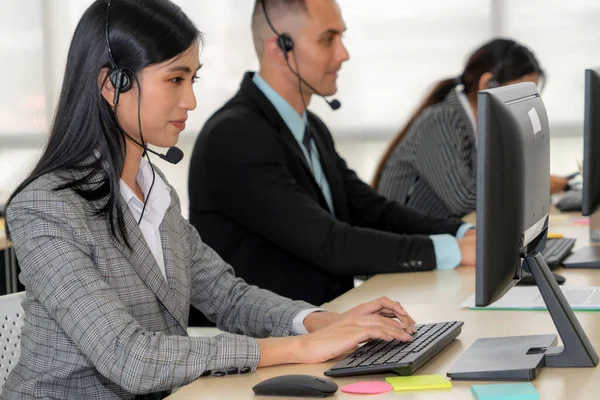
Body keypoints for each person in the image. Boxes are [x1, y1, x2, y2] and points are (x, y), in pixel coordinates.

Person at [0, 1, 418, 398]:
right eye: (175, 80)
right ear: (114, 84)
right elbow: (127, 356)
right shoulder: (46, 208)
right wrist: (297, 349)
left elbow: (228, 297)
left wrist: (325, 322)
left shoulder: (154, 191)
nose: (191, 101)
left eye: (192, 79)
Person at [187, 0, 476, 327]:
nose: (343, 54)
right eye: (328, 39)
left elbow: (372, 211)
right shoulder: (235, 136)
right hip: (268, 347)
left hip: (327, 327)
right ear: (280, 48)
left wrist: (463, 232)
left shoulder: (309, 127)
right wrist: (452, 250)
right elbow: (330, 243)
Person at [373, 38, 569, 220]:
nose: (523, 106)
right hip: (410, 246)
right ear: (487, 84)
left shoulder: (484, 127)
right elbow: (464, 199)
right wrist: (535, 185)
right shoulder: (442, 119)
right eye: (519, 94)